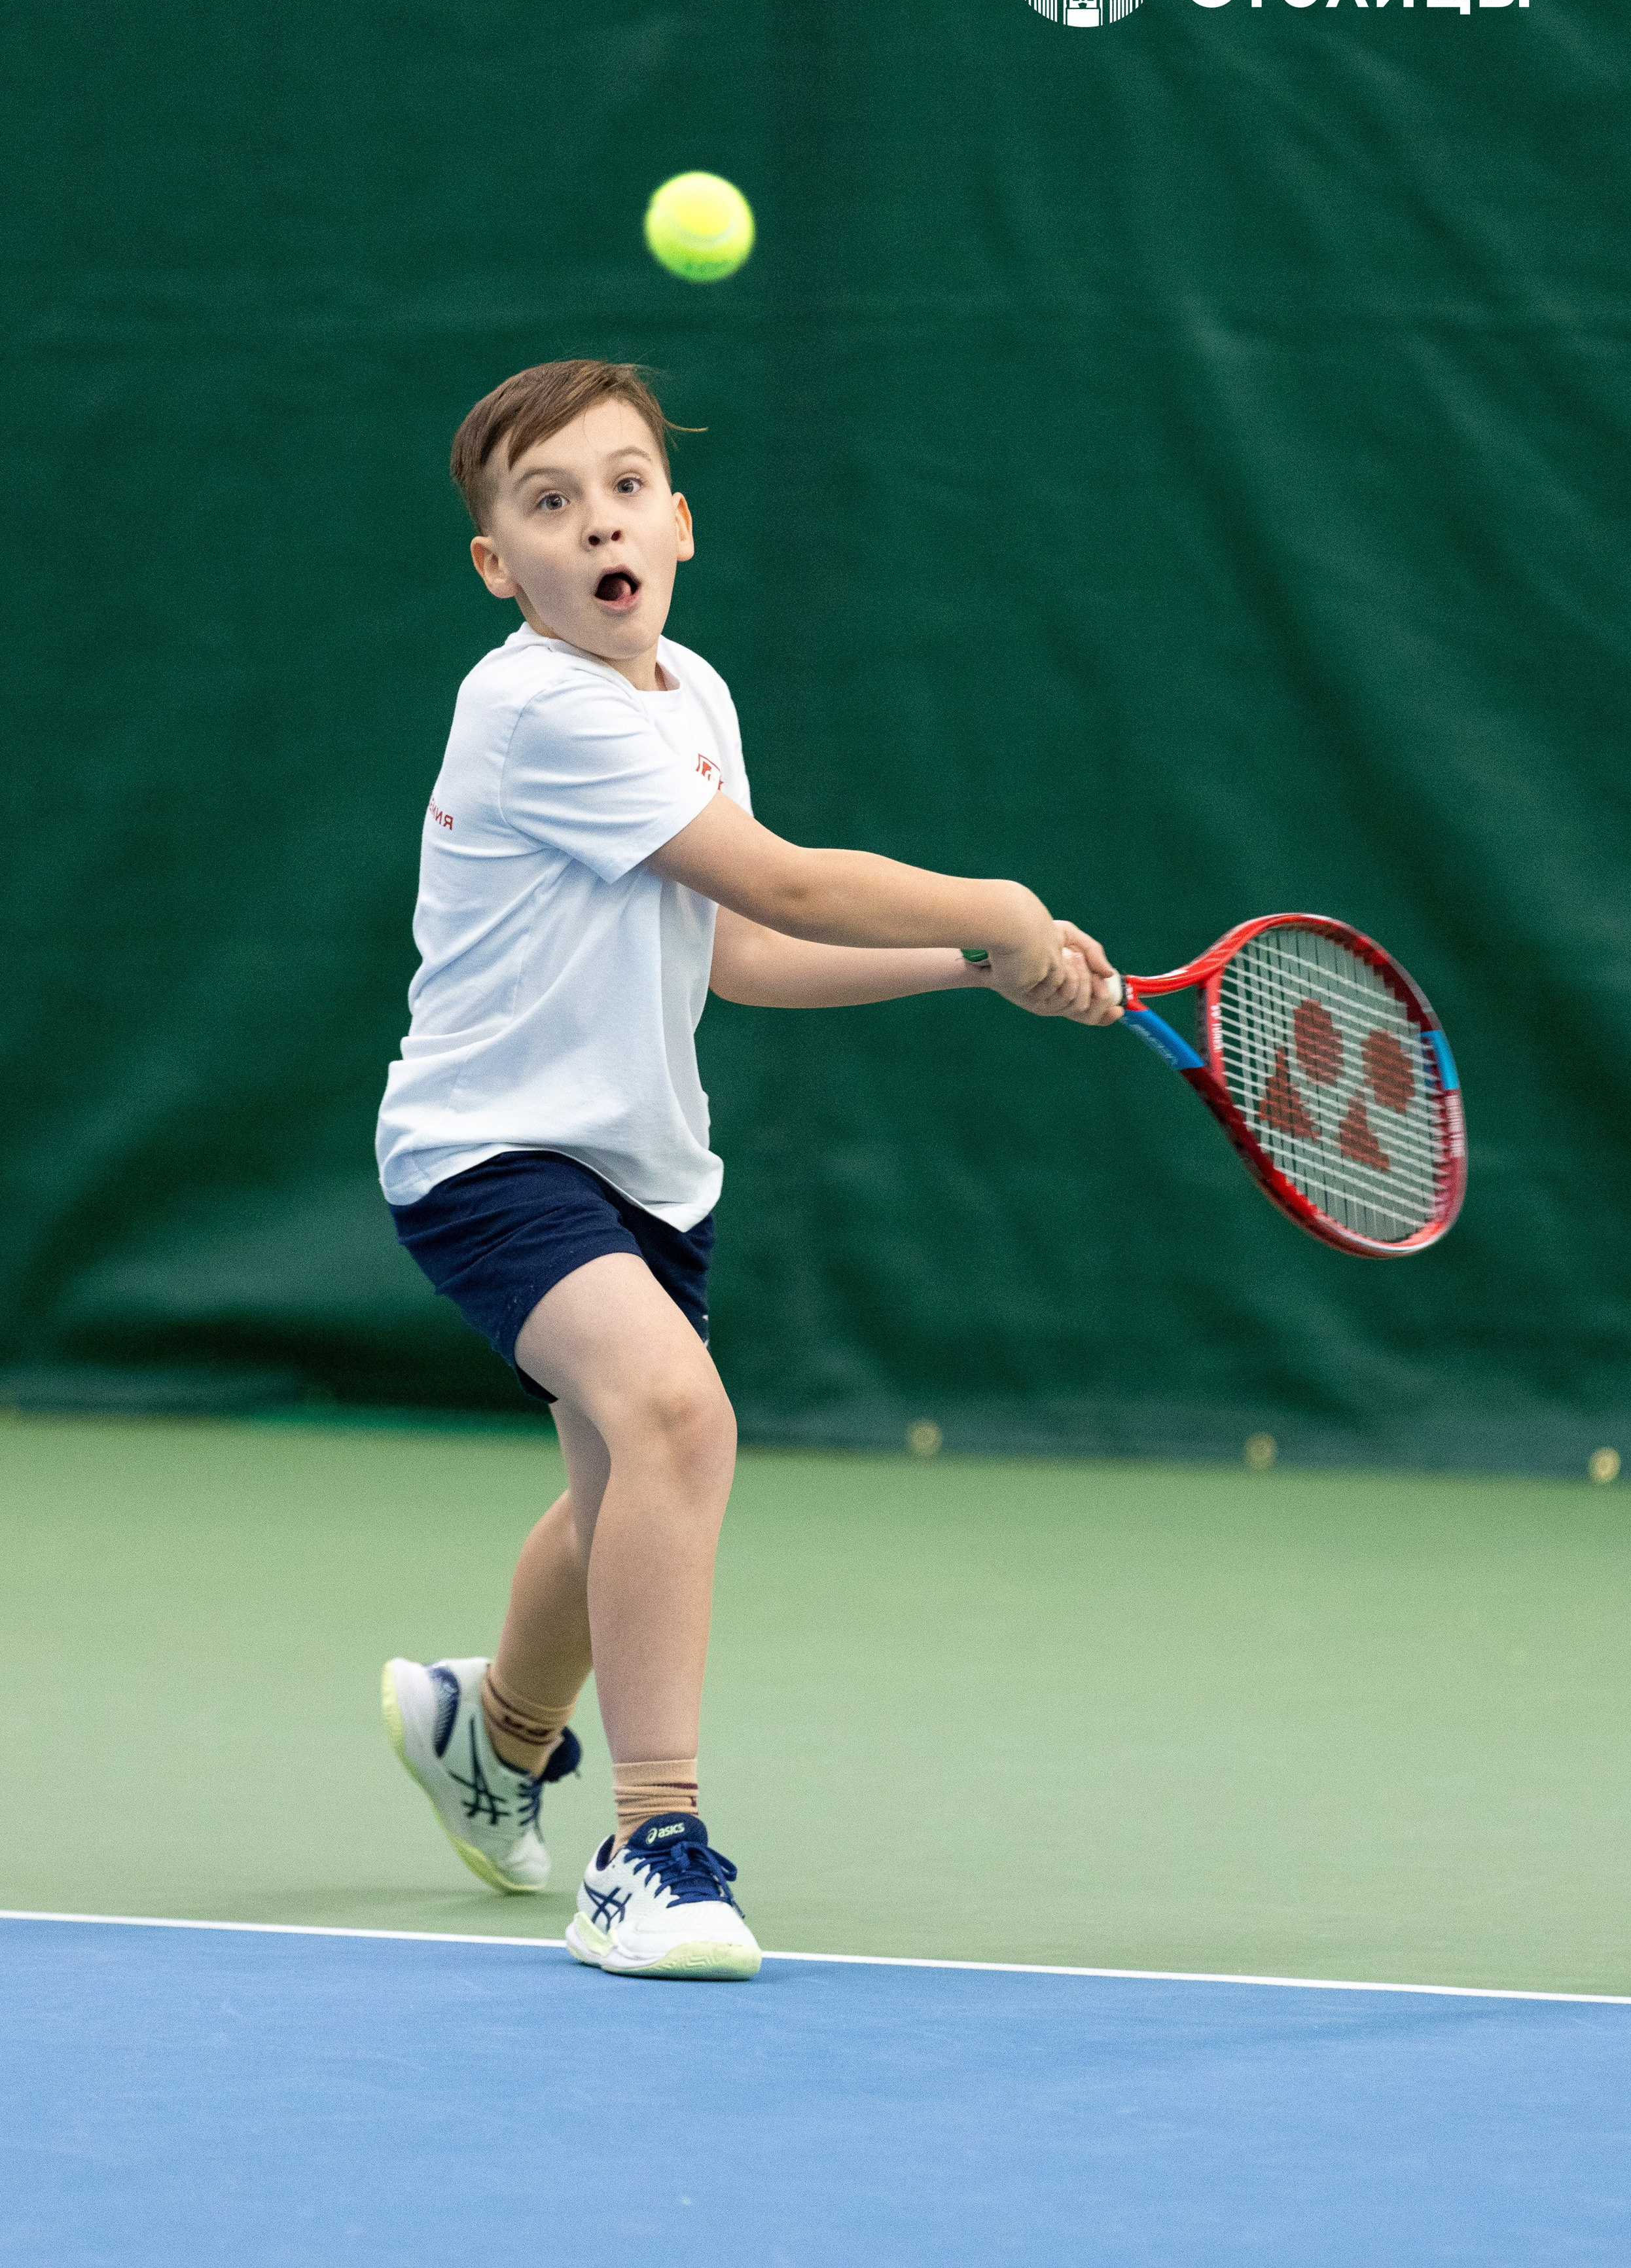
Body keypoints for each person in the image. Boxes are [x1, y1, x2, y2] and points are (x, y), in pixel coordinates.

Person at [376, 358, 1117, 1981]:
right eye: (548, 503)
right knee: (676, 1417)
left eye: (626, 486)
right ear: (499, 563)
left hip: (645, 1165)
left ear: (680, 523)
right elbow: (788, 874)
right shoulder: (530, 704)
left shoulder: (687, 693)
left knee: (615, 1497)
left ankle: (493, 1733)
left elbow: (748, 947)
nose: (597, 521)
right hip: (491, 1151)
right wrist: (986, 900)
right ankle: (649, 1841)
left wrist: (965, 967)